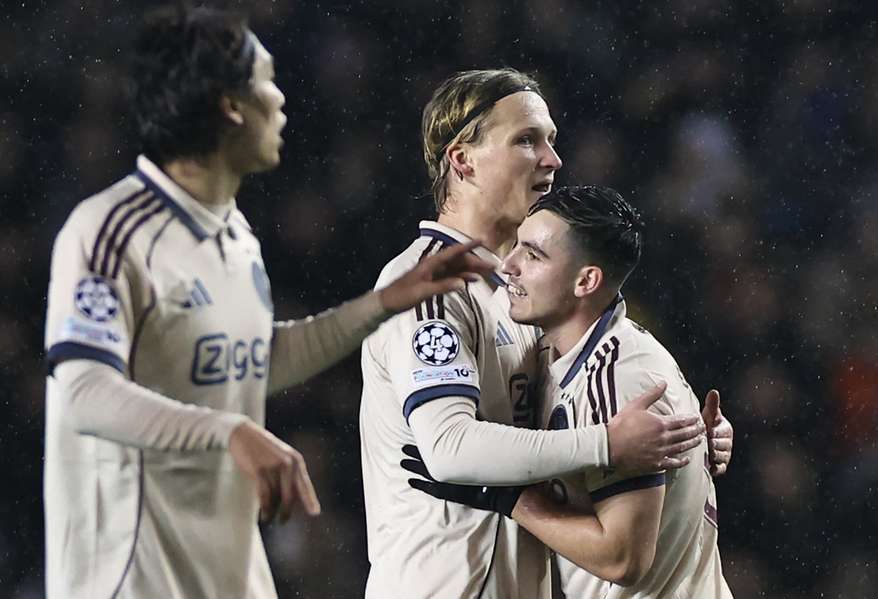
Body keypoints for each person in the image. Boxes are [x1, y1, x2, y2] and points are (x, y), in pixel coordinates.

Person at [42, 7, 493, 599]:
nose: (280, 101)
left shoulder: (235, 235)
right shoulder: (109, 230)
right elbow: (82, 390)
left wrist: (382, 303)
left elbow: (253, 360)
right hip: (133, 573)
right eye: (266, 81)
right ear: (231, 106)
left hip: (227, 567)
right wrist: (230, 431)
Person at [359, 68, 733, 598]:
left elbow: (598, 382)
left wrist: (686, 435)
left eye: (551, 141)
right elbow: (448, 448)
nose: (551, 160)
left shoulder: (530, 290)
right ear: (462, 160)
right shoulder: (429, 285)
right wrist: (606, 444)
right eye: (526, 140)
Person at [408, 185, 733, 597]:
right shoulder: (563, 354)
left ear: (586, 280)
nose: (509, 266)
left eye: (533, 254)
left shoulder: (619, 379)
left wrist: (511, 500)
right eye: (516, 247)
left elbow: (623, 559)